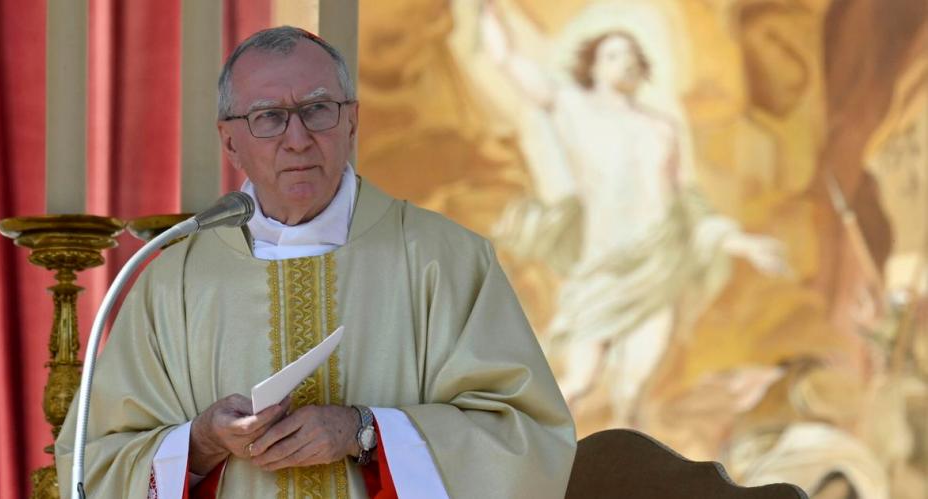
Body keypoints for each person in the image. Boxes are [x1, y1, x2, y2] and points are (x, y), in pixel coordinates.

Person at [54, 26, 576, 499]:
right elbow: (93, 463)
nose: (298, 139)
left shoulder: (446, 260)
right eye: (269, 117)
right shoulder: (174, 283)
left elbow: (528, 441)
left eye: (318, 109)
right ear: (230, 141)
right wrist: (202, 442)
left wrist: (364, 432)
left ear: (352, 121)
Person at [478, 3, 788, 427]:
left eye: (630, 55)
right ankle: (530, 459)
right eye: (612, 54)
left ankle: (625, 465)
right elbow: (507, 61)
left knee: (633, 387)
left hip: (657, 268)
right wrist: (485, 9)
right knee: (578, 380)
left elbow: (686, 205)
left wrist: (742, 243)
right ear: (593, 67)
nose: (624, 62)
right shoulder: (572, 108)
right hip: (603, 269)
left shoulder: (662, 129)